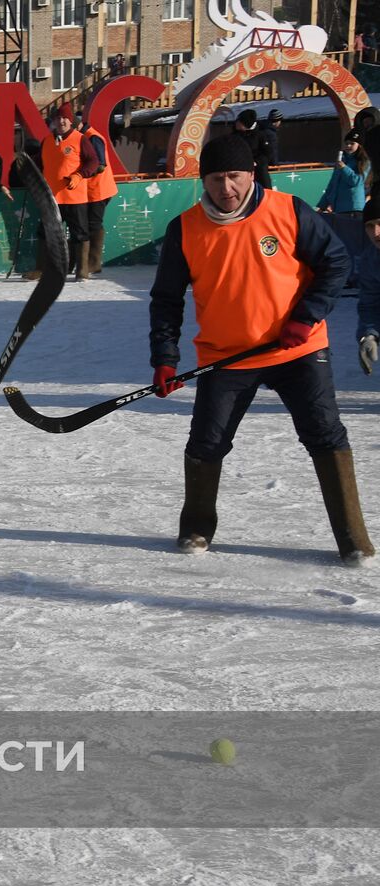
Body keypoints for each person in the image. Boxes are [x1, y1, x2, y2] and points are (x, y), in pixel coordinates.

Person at [148, 134, 370, 565]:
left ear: (251, 174)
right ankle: (196, 529)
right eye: (215, 179)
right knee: (206, 444)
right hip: (224, 357)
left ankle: (353, 539)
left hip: (298, 350)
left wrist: (306, 317)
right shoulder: (186, 228)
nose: (225, 189)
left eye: (234, 176)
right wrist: (165, 357)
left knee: (325, 436)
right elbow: (166, 299)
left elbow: (336, 263)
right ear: (203, 180)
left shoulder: (288, 210)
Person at [37, 103, 98, 282]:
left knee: (79, 233)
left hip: (74, 196)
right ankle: (41, 269)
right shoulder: (47, 140)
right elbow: (40, 165)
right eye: (58, 118)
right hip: (51, 197)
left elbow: (93, 162)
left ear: (70, 120)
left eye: (65, 118)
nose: (61, 121)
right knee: (46, 232)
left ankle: (82, 270)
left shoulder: (80, 139)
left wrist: (79, 175)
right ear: (54, 121)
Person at [317, 129, 371, 275]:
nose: (348, 146)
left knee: (354, 245)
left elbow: (356, 181)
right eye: (346, 143)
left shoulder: (363, 161)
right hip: (339, 208)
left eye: (351, 143)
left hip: (354, 208)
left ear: (359, 145)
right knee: (343, 244)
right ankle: (347, 275)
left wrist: (344, 168)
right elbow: (332, 185)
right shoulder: (343, 161)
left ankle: (356, 275)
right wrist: (322, 204)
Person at [79, 112, 118, 276]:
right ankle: (88, 261)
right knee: (88, 223)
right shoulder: (86, 137)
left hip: (99, 189)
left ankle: (94, 262)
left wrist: (79, 174)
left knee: (93, 223)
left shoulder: (93, 138)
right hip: (92, 189)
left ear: (80, 124)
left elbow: (100, 164)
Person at [356, 198, 380, 375]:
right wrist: (369, 335)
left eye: (379, 224)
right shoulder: (370, 259)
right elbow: (369, 304)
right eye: (370, 226)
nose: (376, 232)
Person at [232, 108, 273, 190]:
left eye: (239, 122)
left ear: (246, 124)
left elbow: (267, 153)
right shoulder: (234, 135)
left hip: (258, 170)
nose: (236, 123)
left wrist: (256, 162)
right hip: (239, 169)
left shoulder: (260, 135)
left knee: (264, 191)